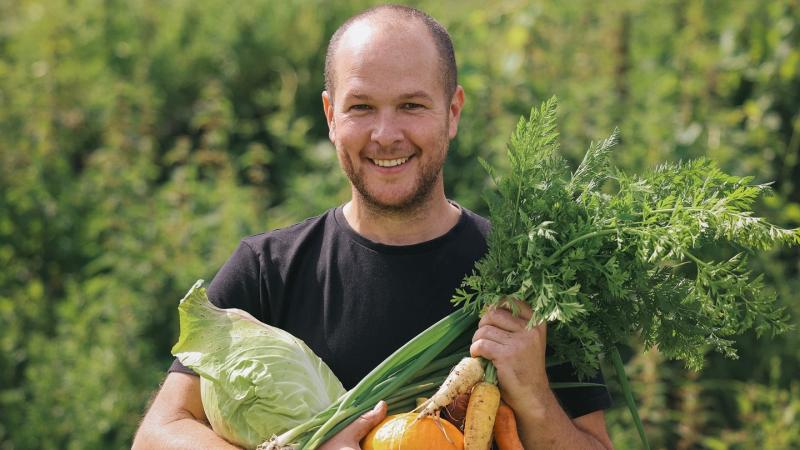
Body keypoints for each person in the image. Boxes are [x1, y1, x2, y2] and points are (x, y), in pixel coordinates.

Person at [133, 5, 614, 449]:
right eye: (361, 107)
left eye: (411, 106)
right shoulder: (267, 270)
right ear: (330, 117)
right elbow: (158, 435)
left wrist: (532, 395)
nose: (386, 135)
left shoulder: (529, 281)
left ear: (452, 113)